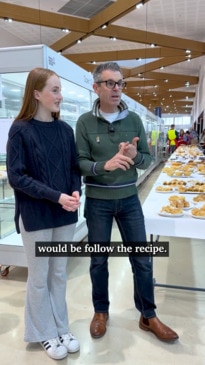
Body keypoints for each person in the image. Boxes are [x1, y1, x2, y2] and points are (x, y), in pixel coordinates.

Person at [75, 62, 178, 342]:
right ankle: (100, 312)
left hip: (130, 199)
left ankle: (148, 315)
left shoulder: (133, 120)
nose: (117, 88)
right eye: (110, 83)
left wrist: (133, 155)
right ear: (96, 87)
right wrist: (104, 165)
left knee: (142, 259)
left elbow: (146, 159)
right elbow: (80, 163)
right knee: (98, 259)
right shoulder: (84, 122)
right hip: (98, 201)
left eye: (120, 83)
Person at [6, 68, 81, 360]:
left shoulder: (65, 130)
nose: (60, 96)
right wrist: (56, 196)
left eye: (60, 89)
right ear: (36, 94)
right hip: (37, 216)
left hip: (64, 214)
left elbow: (74, 169)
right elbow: (17, 177)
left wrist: (75, 192)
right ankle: (43, 333)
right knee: (39, 277)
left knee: (58, 274)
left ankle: (61, 327)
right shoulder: (21, 129)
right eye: (54, 89)